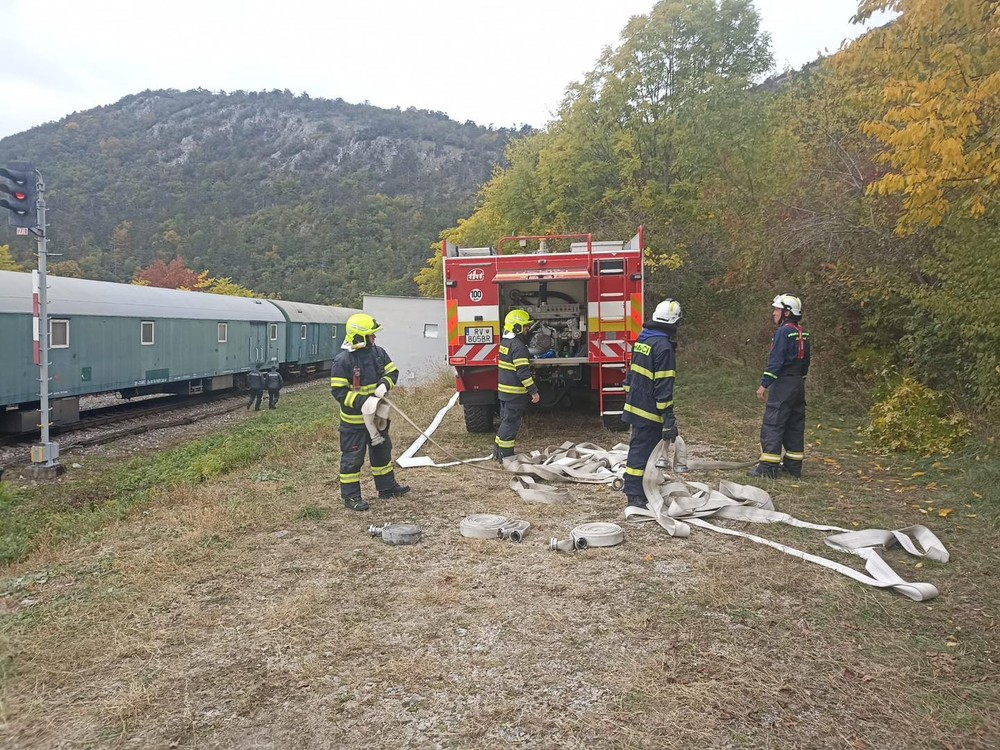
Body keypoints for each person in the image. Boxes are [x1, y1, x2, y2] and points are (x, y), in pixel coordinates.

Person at [330, 313, 410, 511]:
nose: (375, 339)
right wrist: (363, 401)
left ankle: (387, 488)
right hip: (354, 423)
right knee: (352, 459)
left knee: (382, 454)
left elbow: (393, 372)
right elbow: (339, 391)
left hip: (378, 419)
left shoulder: (378, 353)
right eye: (371, 336)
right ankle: (351, 497)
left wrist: (385, 383)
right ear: (359, 337)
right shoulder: (343, 360)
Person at [621, 298, 682, 510]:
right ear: (674, 324)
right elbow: (663, 386)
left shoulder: (643, 340)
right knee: (642, 451)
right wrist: (668, 418)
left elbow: (631, 375)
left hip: (636, 403)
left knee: (639, 448)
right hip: (649, 409)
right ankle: (635, 494)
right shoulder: (664, 347)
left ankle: (636, 487)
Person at [748, 294, 811, 479]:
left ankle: (768, 468)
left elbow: (776, 361)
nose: (773, 313)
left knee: (773, 424)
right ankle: (793, 466)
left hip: (783, 384)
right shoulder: (802, 332)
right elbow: (806, 361)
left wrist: (763, 385)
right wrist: (800, 381)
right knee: (795, 425)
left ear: (787, 312)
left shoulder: (783, 332)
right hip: (798, 384)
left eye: (776, 309)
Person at [494, 309, 540, 461]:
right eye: (525, 327)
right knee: (511, 424)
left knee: (505, 421)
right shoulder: (519, 347)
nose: (528, 330)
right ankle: (506, 457)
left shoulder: (505, 343)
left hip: (504, 392)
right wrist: (533, 391)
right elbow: (523, 372)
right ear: (517, 328)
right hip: (514, 393)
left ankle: (498, 452)